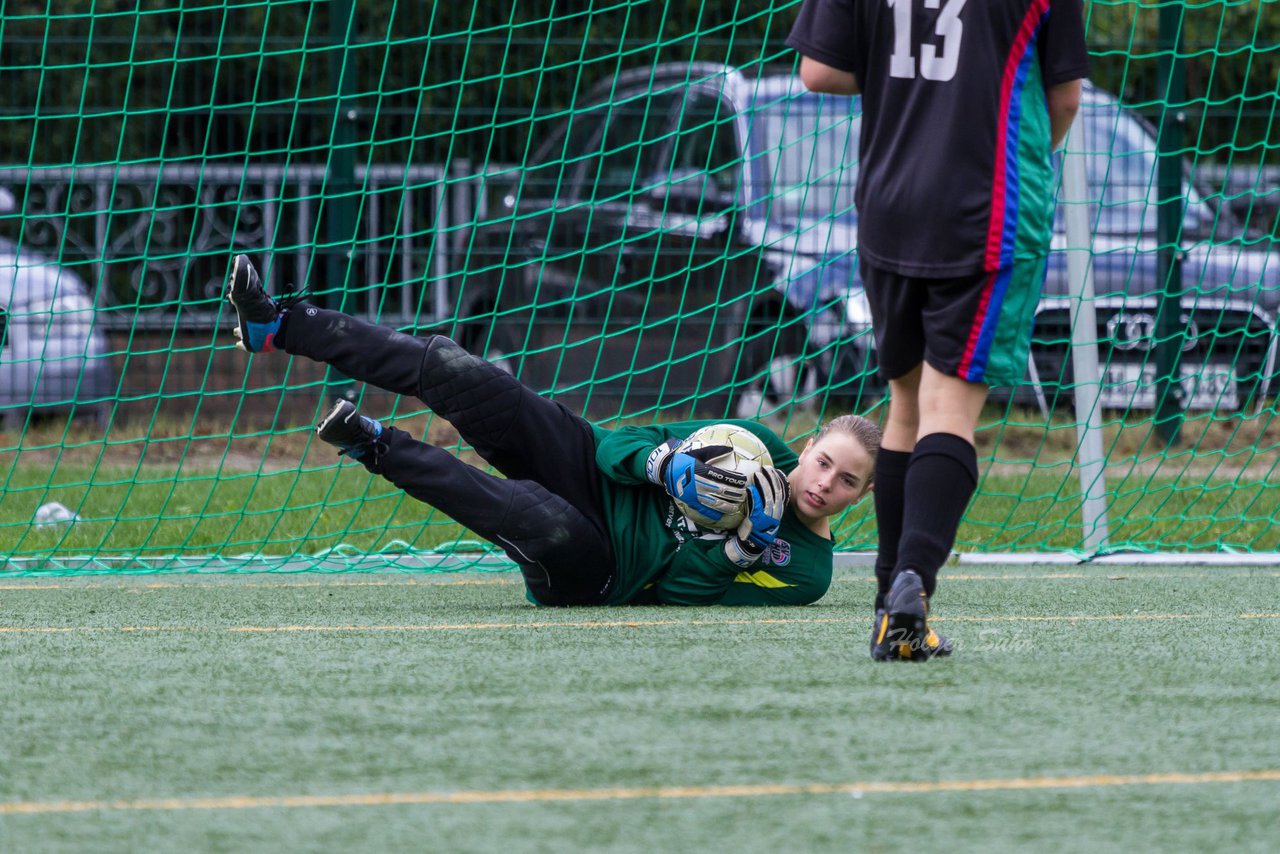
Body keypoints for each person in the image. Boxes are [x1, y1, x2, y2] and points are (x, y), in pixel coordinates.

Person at [224, 254, 880, 607]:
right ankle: (280, 325)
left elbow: (679, 593)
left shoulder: (809, 573)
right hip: (590, 467)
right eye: (825, 461)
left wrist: (743, 548)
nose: (826, 483)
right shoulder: (752, 440)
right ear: (814, 441)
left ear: (862, 496)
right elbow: (618, 442)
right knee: (462, 373)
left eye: (847, 481)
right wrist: (667, 466)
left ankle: (374, 444)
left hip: (604, 570)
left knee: (532, 517)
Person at [786, 1, 1089, 659]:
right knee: (949, 410)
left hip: (890, 201)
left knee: (905, 405)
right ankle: (913, 584)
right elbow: (1064, 99)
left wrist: (911, 83)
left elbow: (818, 72)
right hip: (988, 207)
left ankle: (889, 613)